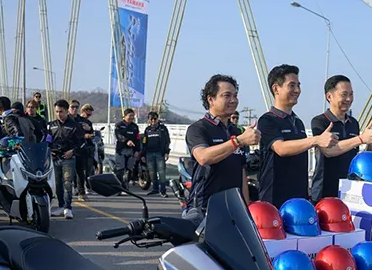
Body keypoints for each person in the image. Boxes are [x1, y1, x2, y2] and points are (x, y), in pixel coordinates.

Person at [183, 74, 260, 223]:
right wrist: (238, 141)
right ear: (210, 99)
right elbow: (203, 157)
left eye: (235, 95)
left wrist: (246, 208)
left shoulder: (236, 131)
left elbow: (241, 172)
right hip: (206, 208)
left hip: (234, 208)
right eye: (227, 95)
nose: (233, 100)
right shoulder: (198, 129)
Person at [258, 64, 336, 209]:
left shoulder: (297, 122)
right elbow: (280, 148)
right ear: (276, 89)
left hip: (299, 199)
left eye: (298, 85)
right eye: (292, 85)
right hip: (274, 201)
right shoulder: (267, 120)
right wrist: (316, 140)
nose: (297, 90)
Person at [310, 75, 372, 201]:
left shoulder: (353, 123)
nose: (349, 99)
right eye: (344, 95)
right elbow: (328, 151)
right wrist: (361, 139)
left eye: (351, 94)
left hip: (350, 190)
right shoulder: (320, 122)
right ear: (329, 96)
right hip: (325, 191)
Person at [48, 100, 81, 219]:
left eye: (61, 111)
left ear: (67, 111)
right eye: (57, 111)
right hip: (55, 158)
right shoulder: (51, 125)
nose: (59, 114)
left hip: (68, 158)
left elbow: (81, 142)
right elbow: (47, 140)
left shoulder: (74, 126)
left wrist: (72, 151)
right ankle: (61, 206)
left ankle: (68, 208)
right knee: (57, 184)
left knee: (67, 183)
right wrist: (49, 150)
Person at [141, 111, 170, 197]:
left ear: (157, 119)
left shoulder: (162, 129)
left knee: (161, 172)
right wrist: (143, 155)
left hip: (159, 153)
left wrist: (166, 152)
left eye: (155, 119)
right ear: (149, 120)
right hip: (149, 153)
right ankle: (155, 189)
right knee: (152, 172)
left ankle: (163, 191)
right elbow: (144, 143)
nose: (153, 120)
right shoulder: (147, 130)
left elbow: (167, 141)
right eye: (151, 119)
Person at [114, 108, 141, 189]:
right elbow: (118, 135)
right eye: (130, 115)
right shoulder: (119, 125)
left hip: (131, 151)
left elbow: (137, 139)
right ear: (125, 116)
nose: (132, 117)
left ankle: (126, 186)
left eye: (133, 116)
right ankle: (119, 187)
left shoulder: (135, 127)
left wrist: (137, 150)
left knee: (129, 169)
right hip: (121, 151)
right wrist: (126, 141)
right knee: (120, 169)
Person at [74, 104, 95, 201]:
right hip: (76, 147)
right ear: (83, 111)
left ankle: (83, 189)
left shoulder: (88, 122)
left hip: (87, 148)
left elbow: (92, 134)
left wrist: (90, 130)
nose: (88, 116)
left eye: (90, 115)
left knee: (85, 170)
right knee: (76, 171)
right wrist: (84, 135)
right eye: (88, 114)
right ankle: (76, 188)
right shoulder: (75, 120)